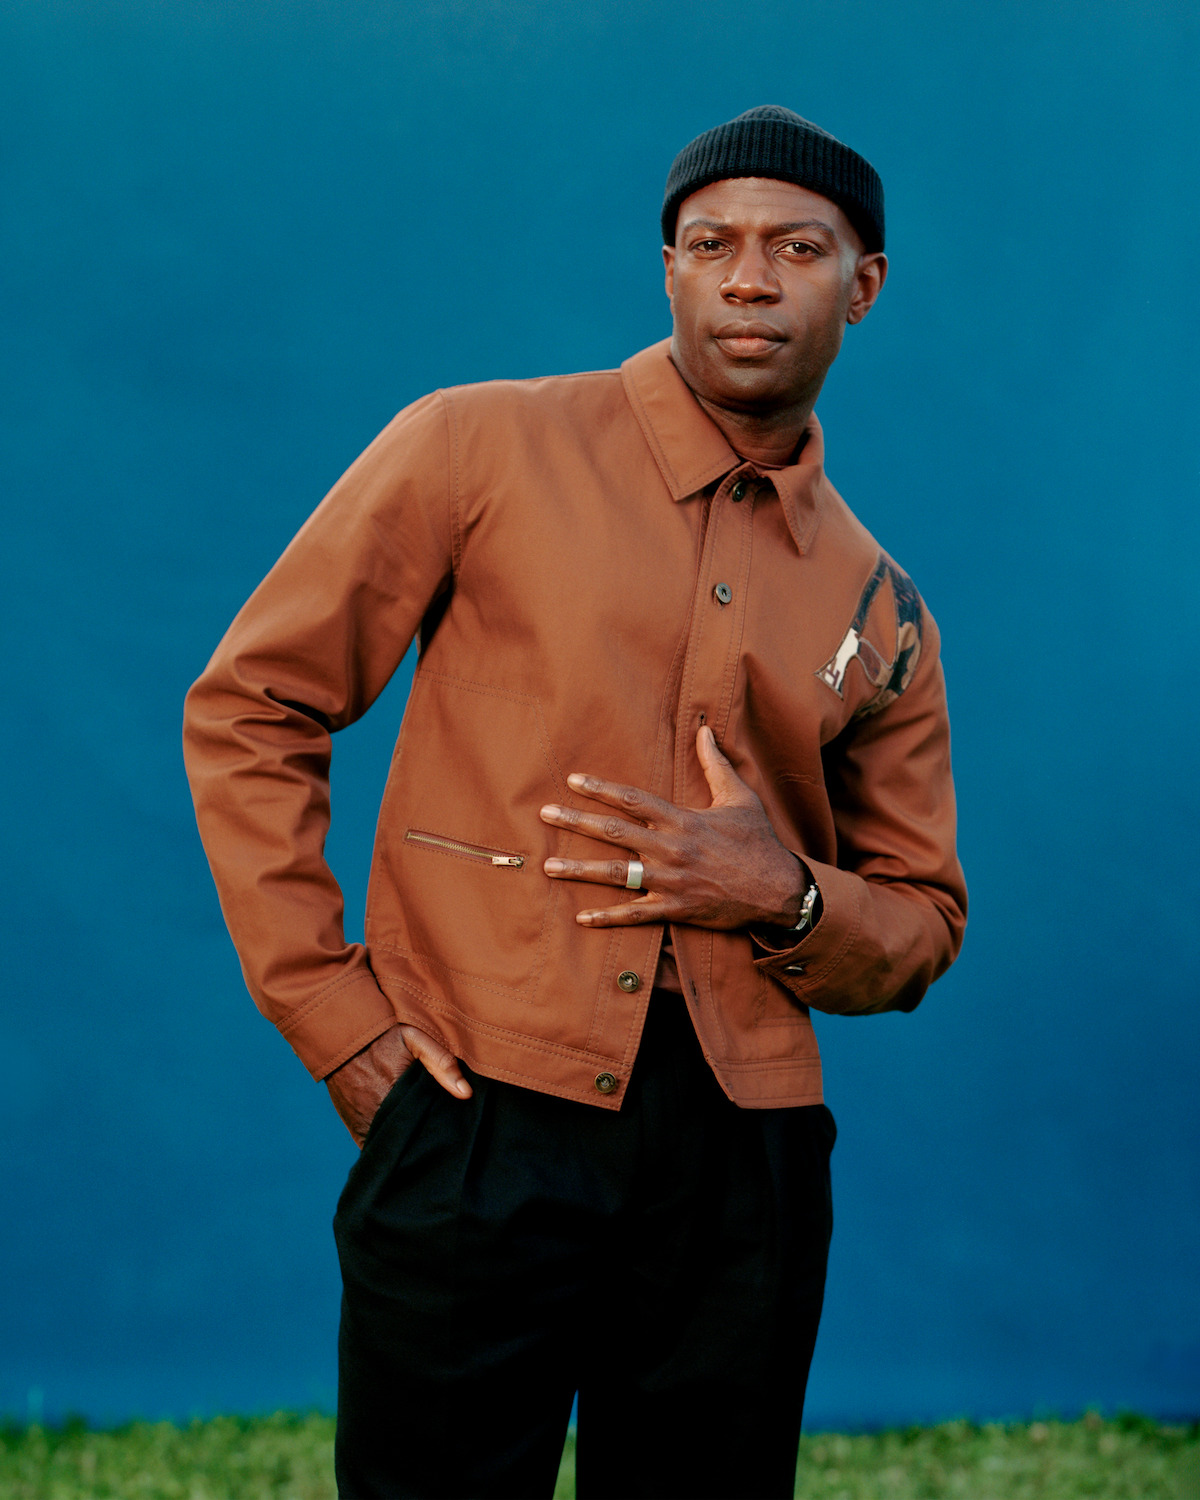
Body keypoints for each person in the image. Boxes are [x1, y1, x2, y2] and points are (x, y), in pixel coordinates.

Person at [183, 104, 967, 1500]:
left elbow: (920, 921)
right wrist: (335, 1017)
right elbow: (251, 706)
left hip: (749, 1154)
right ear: (665, 267)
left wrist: (783, 894)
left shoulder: (880, 601)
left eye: (798, 246)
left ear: (866, 285)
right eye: (710, 244)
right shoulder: (475, 447)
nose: (748, 278)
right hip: (481, 1103)